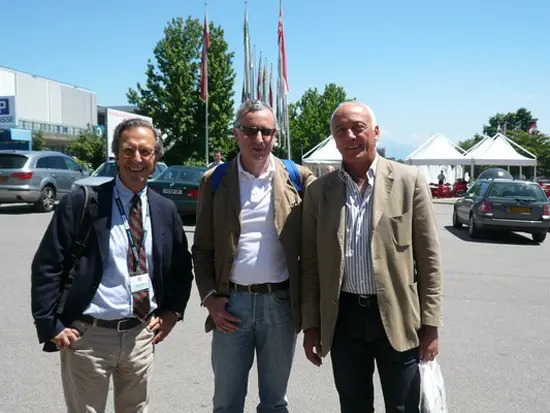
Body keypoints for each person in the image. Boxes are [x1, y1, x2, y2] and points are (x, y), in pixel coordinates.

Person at [31, 118, 194, 413]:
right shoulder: (82, 203)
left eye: (145, 151)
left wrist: (173, 313)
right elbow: (48, 265)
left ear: (156, 158)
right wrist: (49, 324)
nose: (137, 159)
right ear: (116, 155)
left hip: (140, 336)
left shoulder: (165, 210)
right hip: (88, 336)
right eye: (128, 150)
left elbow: (182, 269)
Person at [300, 102, 442, 412]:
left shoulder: (409, 181)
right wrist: (311, 326)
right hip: (344, 319)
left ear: (375, 132)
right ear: (334, 140)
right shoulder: (319, 192)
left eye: (358, 128)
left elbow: (429, 260)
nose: (350, 136)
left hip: (397, 315)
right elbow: (310, 265)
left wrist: (431, 325)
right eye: (341, 130)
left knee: (404, 407)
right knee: (353, 406)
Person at [192, 99, 315, 413]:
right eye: (249, 130)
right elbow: (202, 249)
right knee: (226, 403)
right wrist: (210, 298)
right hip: (231, 306)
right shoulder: (215, 180)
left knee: (275, 403)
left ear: (276, 135)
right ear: (236, 133)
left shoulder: (299, 178)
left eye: (266, 131)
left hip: (280, 305)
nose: (258, 139)